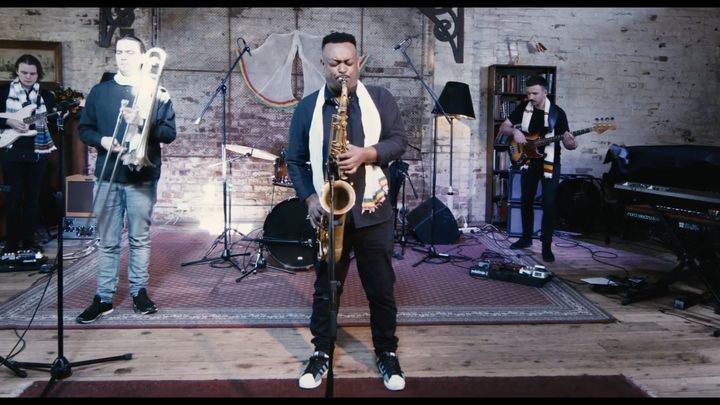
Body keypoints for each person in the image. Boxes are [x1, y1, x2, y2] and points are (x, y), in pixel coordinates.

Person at [285, 32, 408, 391]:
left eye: (349, 62)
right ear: (323, 65)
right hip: (330, 212)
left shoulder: (380, 99)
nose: (343, 70)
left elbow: (399, 141)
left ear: (359, 62)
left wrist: (366, 154)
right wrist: (310, 199)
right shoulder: (308, 108)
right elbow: (295, 159)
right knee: (326, 289)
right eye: (335, 63)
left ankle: (386, 352)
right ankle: (321, 351)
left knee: (381, 289)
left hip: (374, 212)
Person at [75, 34, 176, 324]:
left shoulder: (158, 91)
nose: (123, 57)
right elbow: (84, 129)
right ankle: (103, 298)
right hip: (108, 174)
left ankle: (139, 292)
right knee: (107, 241)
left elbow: (169, 133)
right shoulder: (99, 92)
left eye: (130, 52)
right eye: (119, 52)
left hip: (141, 177)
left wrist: (143, 123)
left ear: (143, 57)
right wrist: (103, 140)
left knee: (139, 239)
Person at [497, 75, 577, 262]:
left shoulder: (558, 113)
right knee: (526, 200)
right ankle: (526, 238)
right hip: (529, 161)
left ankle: (546, 246)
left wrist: (571, 142)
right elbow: (504, 127)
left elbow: (569, 144)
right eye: (528, 93)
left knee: (548, 203)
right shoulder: (523, 108)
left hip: (550, 162)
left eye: (534, 93)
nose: (530, 97)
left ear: (545, 92)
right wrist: (514, 131)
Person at [0, 54, 59, 255]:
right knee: (13, 200)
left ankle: (28, 243)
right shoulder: (3, 92)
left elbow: (53, 123)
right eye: (24, 72)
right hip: (11, 150)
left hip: (37, 151)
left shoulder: (46, 96)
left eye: (32, 73)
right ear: (17, 71)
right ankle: (11, 244)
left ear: (38, 74)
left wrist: (61, 116)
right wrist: (8, 121)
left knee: (33, 201)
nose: (28, 77)